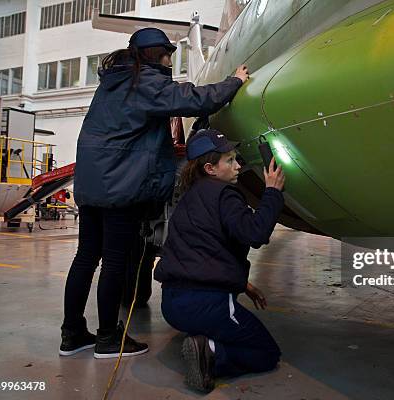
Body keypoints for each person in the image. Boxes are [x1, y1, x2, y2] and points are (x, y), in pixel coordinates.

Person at [59, 27, 250, 359]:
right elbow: (194, 99)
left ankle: (72, 333)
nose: (169, 61)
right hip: (119, 188)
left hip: (91, 184)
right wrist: (235, 81)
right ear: (158, 55)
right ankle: (107, 338)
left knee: (86, 258)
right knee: (115, 262)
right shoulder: (146, 82)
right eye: (168, 55)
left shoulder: (113, 82)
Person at [154, 128, 286, 392]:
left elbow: (200, 250)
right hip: (205, 304)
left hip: (171, 304)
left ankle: (203, 339)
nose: (238, 166)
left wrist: (242, 284)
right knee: (267, 353)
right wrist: (272, 192)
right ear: (210, 169)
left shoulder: (189, 199)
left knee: (217, 324)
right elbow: (255, 233)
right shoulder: (224, 194)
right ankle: (212, 353)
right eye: (230, 160)